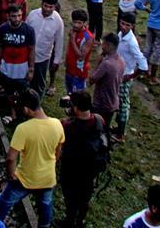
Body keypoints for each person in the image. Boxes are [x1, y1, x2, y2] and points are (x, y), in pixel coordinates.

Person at [0, 90, 64, 228]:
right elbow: (58, 150)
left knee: (3, 204)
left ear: (26, 109)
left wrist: (12, 174)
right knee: (45, 208)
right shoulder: (57, 124)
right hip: (47, 179)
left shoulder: (23, 129)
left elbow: (11, 158)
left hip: (24, 179)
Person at [60, 90, 107, 227]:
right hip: (91, 169)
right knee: (85, 198)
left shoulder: (67, 125)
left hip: (71, 169)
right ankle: (80, 221)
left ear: (75, 108)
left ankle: (69, 221)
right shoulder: (99, 119)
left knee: (70, 198)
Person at [0, 6, 35, 123]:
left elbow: (32, 49)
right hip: (7, 67)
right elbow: (0, 47)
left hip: (22, 68)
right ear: (8, 16)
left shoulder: (29, 30)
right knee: (9, 92)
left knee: (23, 92)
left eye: (19, 15)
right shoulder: (2, 29)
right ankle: (13, 113)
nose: (17, 18)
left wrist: (31, 68)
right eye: (13, 16)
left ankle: (24, 113)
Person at [114, 12, 148, 142]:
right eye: (122, 23)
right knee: (118, 101)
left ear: (132, 26)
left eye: (127, 25)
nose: (123, 27)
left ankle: (121, 134)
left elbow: (143, 64)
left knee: (123, 105)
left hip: (124, 76)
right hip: (118, 73)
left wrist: (131, 76)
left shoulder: (131, 42)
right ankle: (118, 127)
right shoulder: (121, 35)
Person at [26, 0, 64, 99]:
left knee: (39, 84)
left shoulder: (58, 21)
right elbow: (24, 31)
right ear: (41, 3)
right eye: (45, 6)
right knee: (25, 80)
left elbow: (59, 42)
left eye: (50, 7)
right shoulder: (33, 14)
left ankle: (37, 103)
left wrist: (56, 61)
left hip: (42, 58)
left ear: (54, 7)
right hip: (26, 55)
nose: (47, 9)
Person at [89, 33, 125, 129]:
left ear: (109, 46)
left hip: (101, 103)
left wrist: (97, 63)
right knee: (105, 127)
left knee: (96, 128)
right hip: (113, 102)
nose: (102, 47)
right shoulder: (122, 61)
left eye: (103, 44)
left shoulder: (106, 64)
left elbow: (92, 79)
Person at [65, 9, 95, 94]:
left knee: (77, 95)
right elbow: (69, 47)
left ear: (84, 23)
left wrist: (72, 40)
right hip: (69, 68)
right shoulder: (73, 31)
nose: (76, 25)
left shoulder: (88, 37)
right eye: (74, 22)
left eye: (79, 23)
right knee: (69, 92)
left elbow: (81, 56)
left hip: (79, 72)